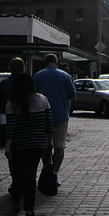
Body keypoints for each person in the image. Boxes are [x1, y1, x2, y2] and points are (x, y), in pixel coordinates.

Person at [4, 71, 53, 216]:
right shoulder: (42, 100)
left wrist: (8, 146)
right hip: (37, 144)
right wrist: (49, 142)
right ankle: (29, 209)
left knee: (18, 174)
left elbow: (10, 127)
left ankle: (17, 200)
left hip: (19, 144)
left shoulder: (12, 103)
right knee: (30, 175)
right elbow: (48, 124)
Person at [33, 53, 76, 185]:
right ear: (56, 62)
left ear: (44, 62)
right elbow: (72, 95)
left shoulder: (37, 76)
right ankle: (54, 173)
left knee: (44, 144)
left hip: (41, 116)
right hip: (61, 115)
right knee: (59, 145)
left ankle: (47, 167)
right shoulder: (65, 76)